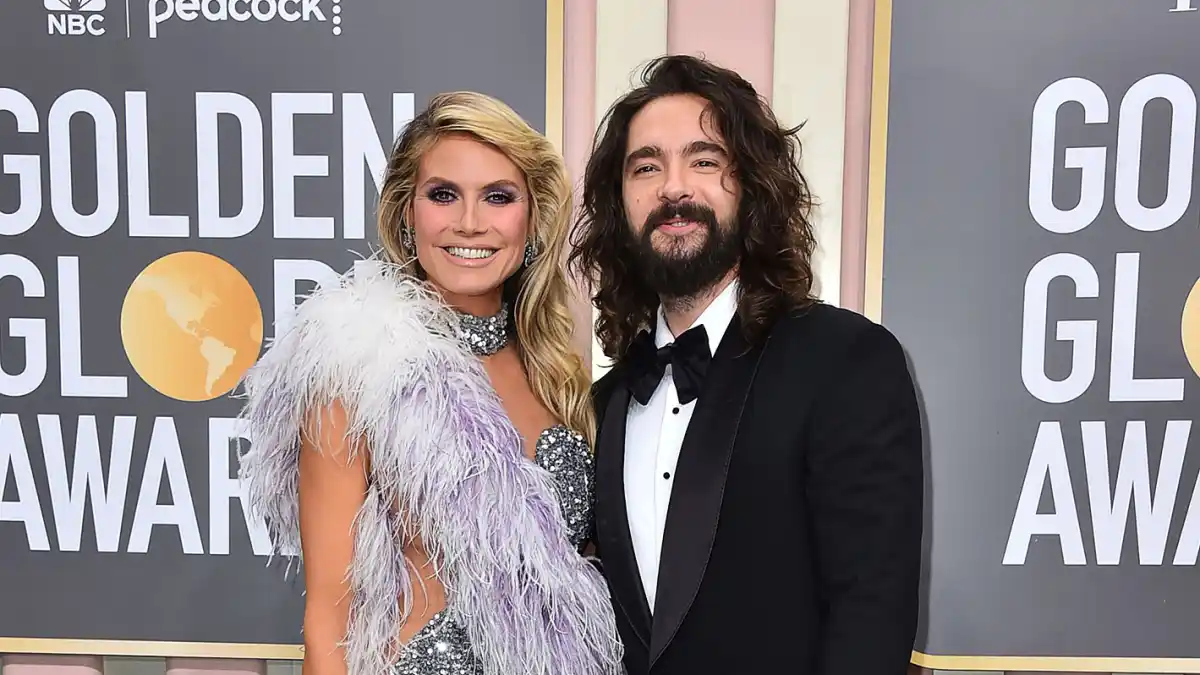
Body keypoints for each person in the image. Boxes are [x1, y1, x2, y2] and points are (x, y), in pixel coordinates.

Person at [237, 91, 624, 675]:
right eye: (444, 194)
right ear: (406, 213)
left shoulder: (555, 370)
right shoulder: (359, 366)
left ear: (532, 218)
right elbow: (327, 624)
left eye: (498, 196)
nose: (470, 222)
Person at [569, 55, 924, 674]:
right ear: (618, 205)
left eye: (704, 161)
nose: (673, 187)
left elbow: (870, 620)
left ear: (752, 187)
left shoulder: (844, 361)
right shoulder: (605, 407)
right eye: (646, 167)